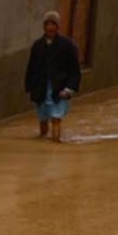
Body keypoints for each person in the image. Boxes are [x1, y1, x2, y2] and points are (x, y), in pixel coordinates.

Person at [24, 10, 82, 142]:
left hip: (59, 89)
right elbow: (31, 68)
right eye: (47, 24)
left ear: (57, 27)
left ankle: (56, 144)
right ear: (44, 26)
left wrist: (69, 89)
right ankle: (42, 143)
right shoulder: (37, 46)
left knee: (56, 118)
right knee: (43, 119)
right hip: (41, 89)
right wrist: (29, 87)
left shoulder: (67, 46)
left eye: (53, 24)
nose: (50, 27)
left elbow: (74, 70)